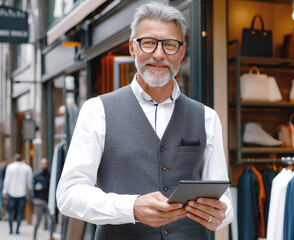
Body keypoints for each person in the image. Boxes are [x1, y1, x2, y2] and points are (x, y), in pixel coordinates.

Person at [56, 2, 233, 239]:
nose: (159, 54)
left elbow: (224, 200)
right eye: (149, 43)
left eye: (170, 45)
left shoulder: (207, 117)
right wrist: (131, 208)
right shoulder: (97, 110)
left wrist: (223, 212)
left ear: (181, 52)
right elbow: (68, 195)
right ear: (132, 48)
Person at [2, 153, 33, 235]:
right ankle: (17, 230)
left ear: (14, 159)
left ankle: (11, 229)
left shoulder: (10, 167)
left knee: (10, 211)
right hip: (22, 193)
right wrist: (30, 190)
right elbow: (30, 182)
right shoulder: (27, 168)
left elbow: (7, 180)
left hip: (12, 193)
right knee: (20, 212)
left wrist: (5, 191)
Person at [32, 158, 56, 240]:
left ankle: (51, 235)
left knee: (52, 219)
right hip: (39, 201)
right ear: (41, 165)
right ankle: (34, 236)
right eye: (43, 164)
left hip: (49, 201)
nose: (45, 165)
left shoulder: (50, 176)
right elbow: (32, 188)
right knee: (38, 220)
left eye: (46, 164)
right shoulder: (36, 175)